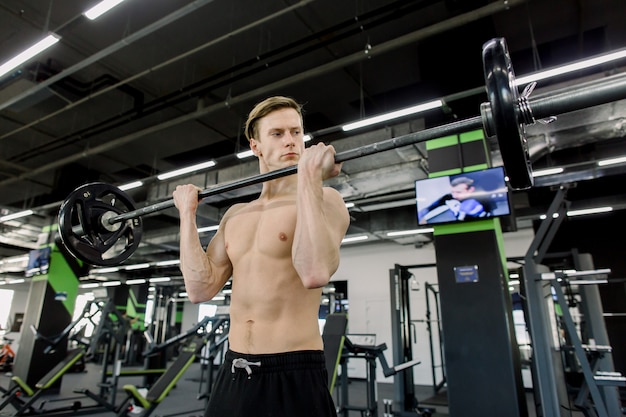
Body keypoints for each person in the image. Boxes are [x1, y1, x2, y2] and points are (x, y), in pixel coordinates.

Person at [172, 96, 350, 417]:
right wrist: (187, 215)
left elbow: (314, 272)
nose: (291, 141)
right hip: (235, 367)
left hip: (293, 370)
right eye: (278, 134)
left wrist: (309, 178)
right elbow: (201, 289)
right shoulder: (236, 214)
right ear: (256, 146)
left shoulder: (326, 199)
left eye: (296, 132)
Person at [419, 176, 491, 224]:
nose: (454, 195)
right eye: (453, 192)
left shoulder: (483, 199)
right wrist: (421, 217)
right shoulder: (448, 197)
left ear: (471, 190)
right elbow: (429, 208)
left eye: (458, 192)